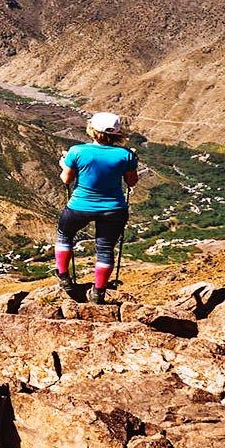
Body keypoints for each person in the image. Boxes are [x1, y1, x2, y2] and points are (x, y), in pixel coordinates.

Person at [55, 112, 139, 304]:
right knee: (105, 248)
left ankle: (64, 278)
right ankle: (98, 292)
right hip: (114, 208)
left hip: (80, 205)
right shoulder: (126, 155)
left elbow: (66, 179)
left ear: (92, 129)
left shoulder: (77, 151)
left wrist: (63, 164)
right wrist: (132, 162)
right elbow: (131, 182)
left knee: (64, 236)